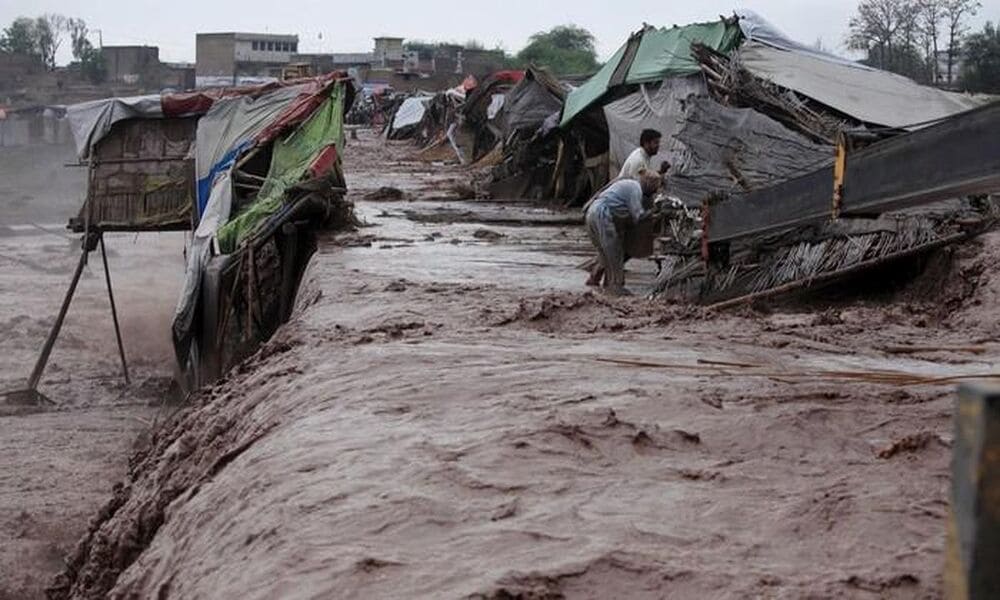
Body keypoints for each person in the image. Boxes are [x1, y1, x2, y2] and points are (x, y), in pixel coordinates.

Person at [585, 173, 663, 296]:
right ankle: (616, 286)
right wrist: (656, 213)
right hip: (602, 214)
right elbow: (638, 216)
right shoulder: (636, 189)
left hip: (593, 213)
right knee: (614, 252)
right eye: (654, 189)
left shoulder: (633, 188)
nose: (655, 192)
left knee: (605, 253)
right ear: (648, 184)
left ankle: (596, 281)